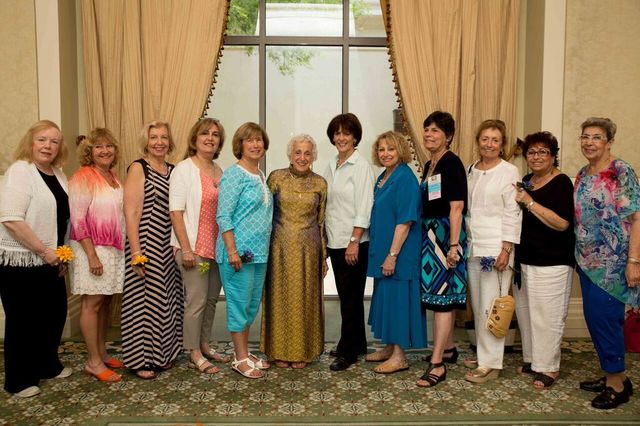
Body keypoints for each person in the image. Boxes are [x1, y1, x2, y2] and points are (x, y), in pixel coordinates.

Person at [0, 120, 72, 398]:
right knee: (23, 320)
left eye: (54, 141)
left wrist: (61, 254)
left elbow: (62, 218)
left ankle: (47, 365)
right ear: (31, 142)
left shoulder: (58, 173)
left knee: (53, 315)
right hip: (20, 262)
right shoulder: (21, 171)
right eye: (42, 140)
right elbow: (11, 218)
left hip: (50, 259)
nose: (48, 146)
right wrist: (44, 251)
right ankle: (18, 380)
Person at [574, 117, 639, 409]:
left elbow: (637, 218)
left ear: (609, 141)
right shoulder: (583, 174)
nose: (589, 142)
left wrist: (634, 261)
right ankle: (617, 376)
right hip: (587, 262)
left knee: (606, 321)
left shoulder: (620, 171)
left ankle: (617, 387)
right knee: (595, 320)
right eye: (585, 136)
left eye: (597, 137)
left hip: (613, 265)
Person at [512, 131, 575, 389]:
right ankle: (533, 360)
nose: (536, 157)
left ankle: (549, 367)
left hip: (553, 261)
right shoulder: (527, 180)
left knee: (547, 316)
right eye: (531, 152)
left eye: (542, 152)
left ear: (553, 156)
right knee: (526, 314)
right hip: (526, 259)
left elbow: (562, 223)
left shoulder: (561, 183)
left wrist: (530, 203)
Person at [169, 118, 231, 376]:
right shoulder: (183, 169)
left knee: (210, 301)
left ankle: (204, 344)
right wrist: (186, 248)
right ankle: (193, 352)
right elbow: (176, 212)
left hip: (216, 249)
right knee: (195, 302)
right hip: (193, 247)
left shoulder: (220, 170)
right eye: (205, 133)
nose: (210, 138)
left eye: (215, 134)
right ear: (195, 139)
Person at [122, 121, 183, 380]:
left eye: (164, 137)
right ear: (145, 142)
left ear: (170, 142)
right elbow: (131, 211)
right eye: (153, 137)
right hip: (145, 242)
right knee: (143, 301)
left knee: (167, 298)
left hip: (168, 243)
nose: (159, 142)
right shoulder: (139, 168)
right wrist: (136, 253)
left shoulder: (173, 169)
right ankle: (141, 358)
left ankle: (163, 354)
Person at [260, 134, 328, 369]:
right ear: (290, 154)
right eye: (297, 152)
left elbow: (321, 222)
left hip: (309, 250)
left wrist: (324, 257)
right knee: (279, 299)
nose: (302, 157)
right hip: (279, 248)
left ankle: (303, 352)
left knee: (305, 300)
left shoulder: (320, 183)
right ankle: (278, 350)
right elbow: (265, 216)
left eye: (307, 153)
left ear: (313, 156)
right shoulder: (275, 178)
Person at [464, 119, 521, 384]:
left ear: (502, 144)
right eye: (485, 139)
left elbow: (513, 211)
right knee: (478, 306)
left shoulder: (510, 171)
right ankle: (484, 354)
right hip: (474, 247)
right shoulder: (471, 169)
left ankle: (491, 363)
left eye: (495, 140)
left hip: (497, 249)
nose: (489, 144)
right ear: (478, 141)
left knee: (493, 308)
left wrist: (506, 248)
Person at [365, 131, 426, 374]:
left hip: (399, 253)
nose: (385, 153)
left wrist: (392, 255)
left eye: (390, 149)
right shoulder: (384, 176)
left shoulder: (405, 178)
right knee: (387, 300)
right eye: (381, 149)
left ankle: (400, 356)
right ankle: (390, 347)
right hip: (383, 250)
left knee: (399, 301)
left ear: (400, 150)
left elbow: (405, 221)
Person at [217, 122, 273, 379]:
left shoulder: (261, 175)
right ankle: (239, 358)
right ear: (240, 145)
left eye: (259, 140)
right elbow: (224, 216)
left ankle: (245, 352)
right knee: (239, 304)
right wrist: (231, 251)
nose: (255, 144)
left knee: (251, 306)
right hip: (237, 253)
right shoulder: (233, 174)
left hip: (259, 253)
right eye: (249, 140)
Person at [415, 111, 468, 388]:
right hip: (430, 236)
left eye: (435, 130)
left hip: (447, 237)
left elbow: (456, 206)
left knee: (443, 299)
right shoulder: (429, 164)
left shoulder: (452, 163)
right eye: (426, 130)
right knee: (437, 297)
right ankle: (447, 350)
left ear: (448, 136)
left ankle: (438, 364)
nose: (428, 135)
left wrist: (453, 246)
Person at [69, 128, 126, 383]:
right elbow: (78, 221)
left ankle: (101, 352)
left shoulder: (112, 176)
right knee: (91, 304)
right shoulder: (83, 176)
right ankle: (92, 362)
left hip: (111, 247)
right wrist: (92, 256)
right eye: (98, 147)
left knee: (104, 303)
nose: (105, 151)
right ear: (89, 151)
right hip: (91, 249)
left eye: (109, 146)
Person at [322, 113, 375, 371]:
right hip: (335, 239)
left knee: (351, 298)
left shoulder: (360, 165)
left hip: (353, 242)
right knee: (347, 296)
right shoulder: (331, 164)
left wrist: (355, 240)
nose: (341, 137)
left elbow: (364, 206)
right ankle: (357, 343)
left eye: (347, 133)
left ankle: (349, 351)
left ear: (355, 137)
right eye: (337, 133)